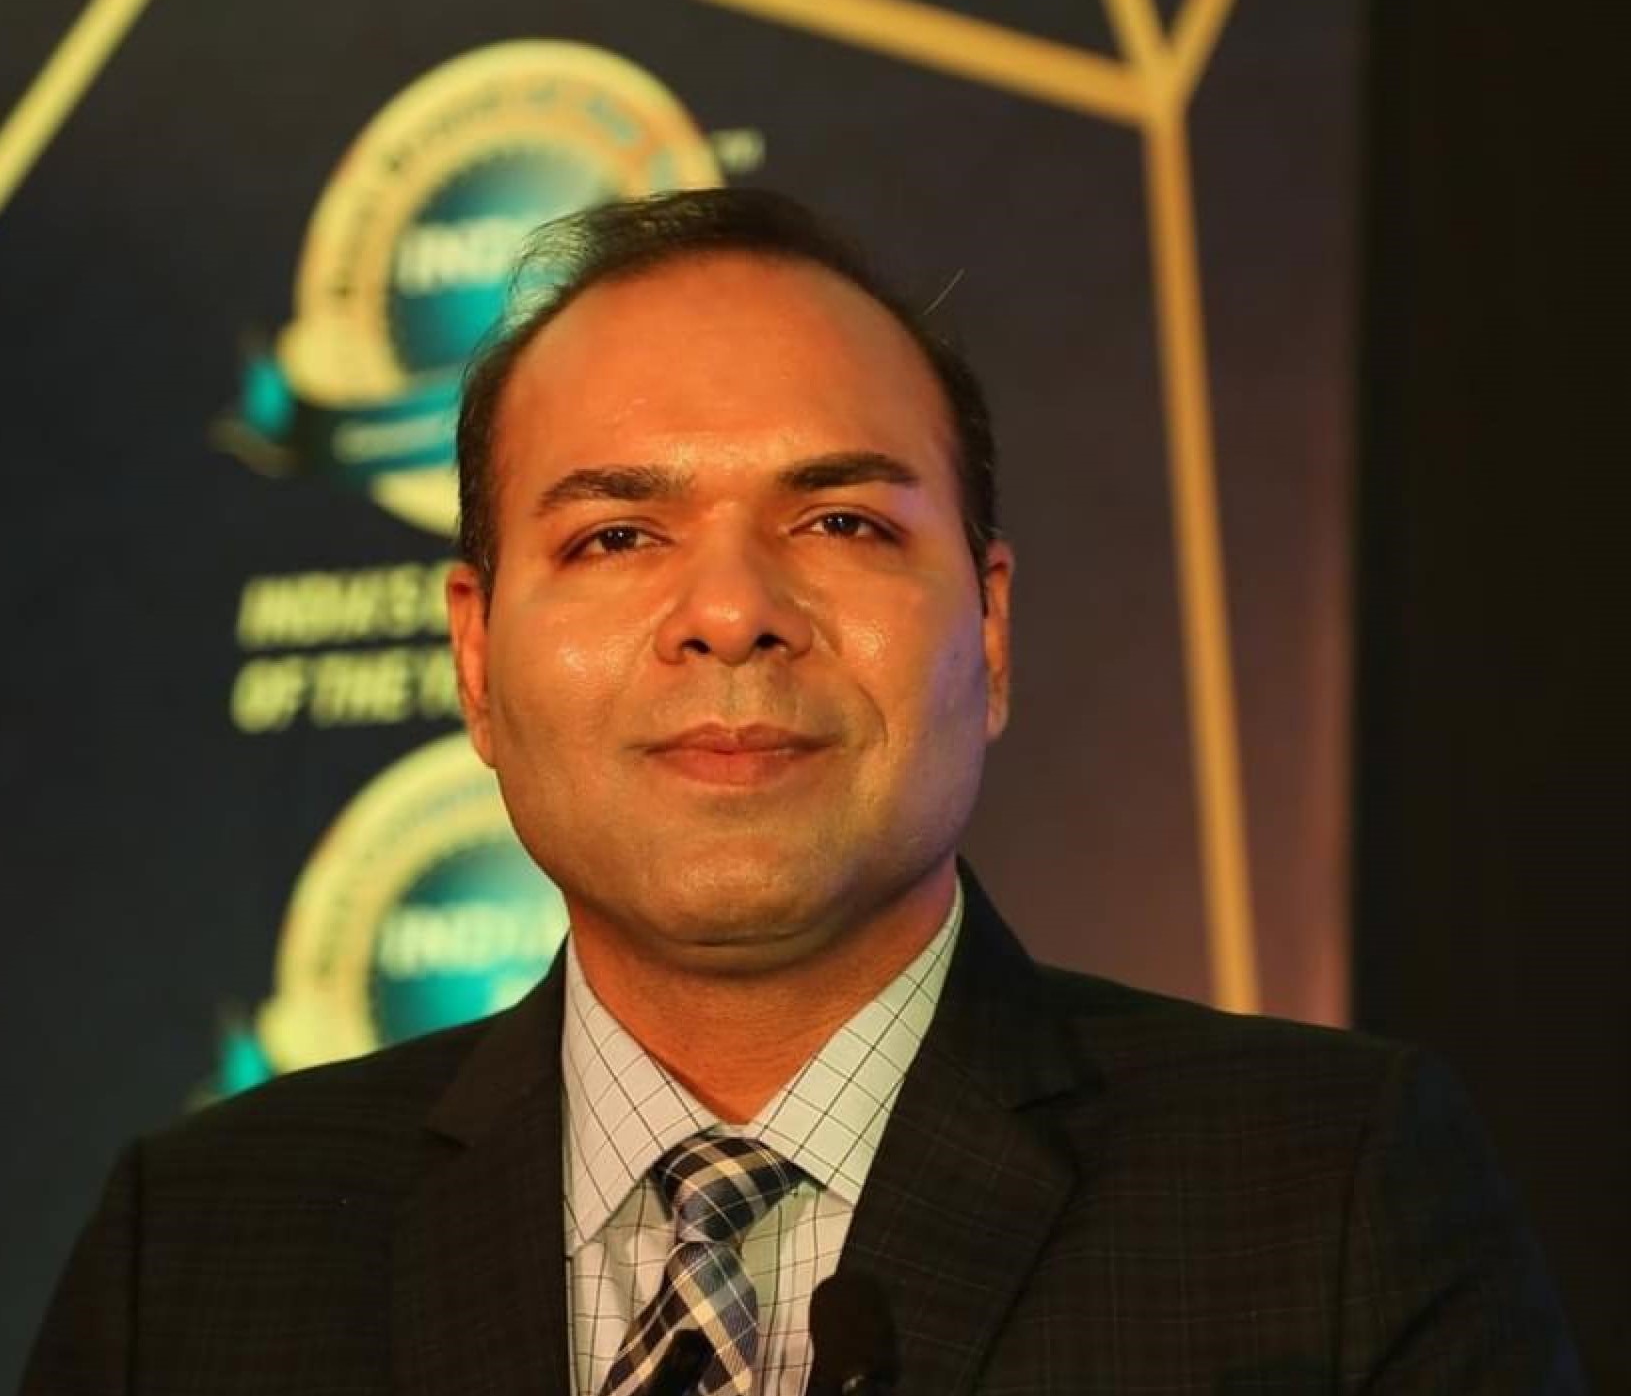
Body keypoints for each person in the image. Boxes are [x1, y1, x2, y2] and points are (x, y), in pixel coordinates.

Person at [24, 188, 1580, 1395]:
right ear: (478, 660)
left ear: (990, 631)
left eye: (841, 523)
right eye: (617, 537)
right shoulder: (203, 1248)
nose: (730, 612)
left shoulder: (1330, 1196)